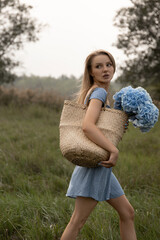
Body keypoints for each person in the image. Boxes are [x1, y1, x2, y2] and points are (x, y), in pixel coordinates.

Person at [60, 50, 137, 240]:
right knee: (77, 221)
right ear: (91, 72)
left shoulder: (99, 93)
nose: (105, 69)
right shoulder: (99, 92)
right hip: (95, 166)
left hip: (102, 167)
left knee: (127, 213)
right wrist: (113, 149)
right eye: (98, 66)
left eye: (108, 64)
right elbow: (87, 126)